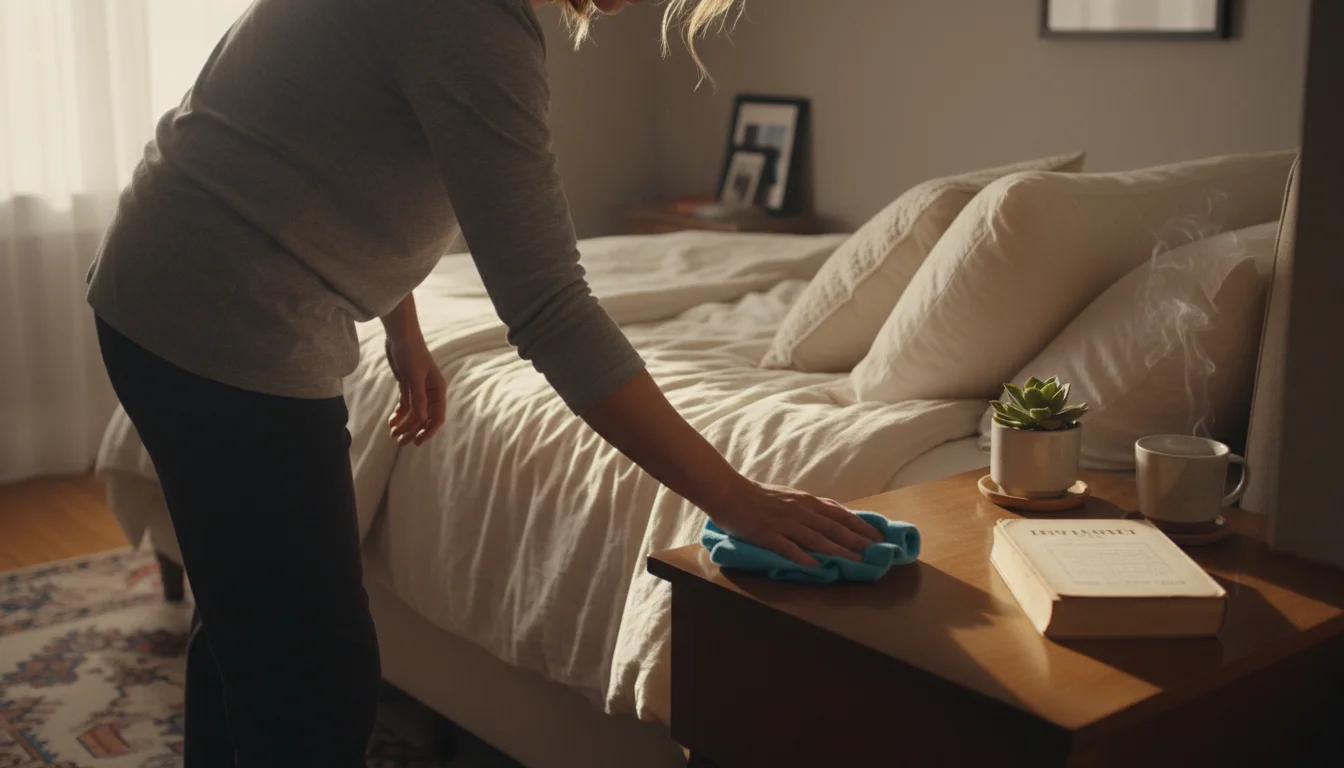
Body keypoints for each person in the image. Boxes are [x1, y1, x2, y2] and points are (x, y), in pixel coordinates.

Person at [85, 0, 882, 764]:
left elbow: (324, 148)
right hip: (218, 317)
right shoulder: (470, 22)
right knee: (313, 681)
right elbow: (550, 309)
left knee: (248, 626)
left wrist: (403, 326)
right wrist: (735, 497)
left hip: (159, 283)